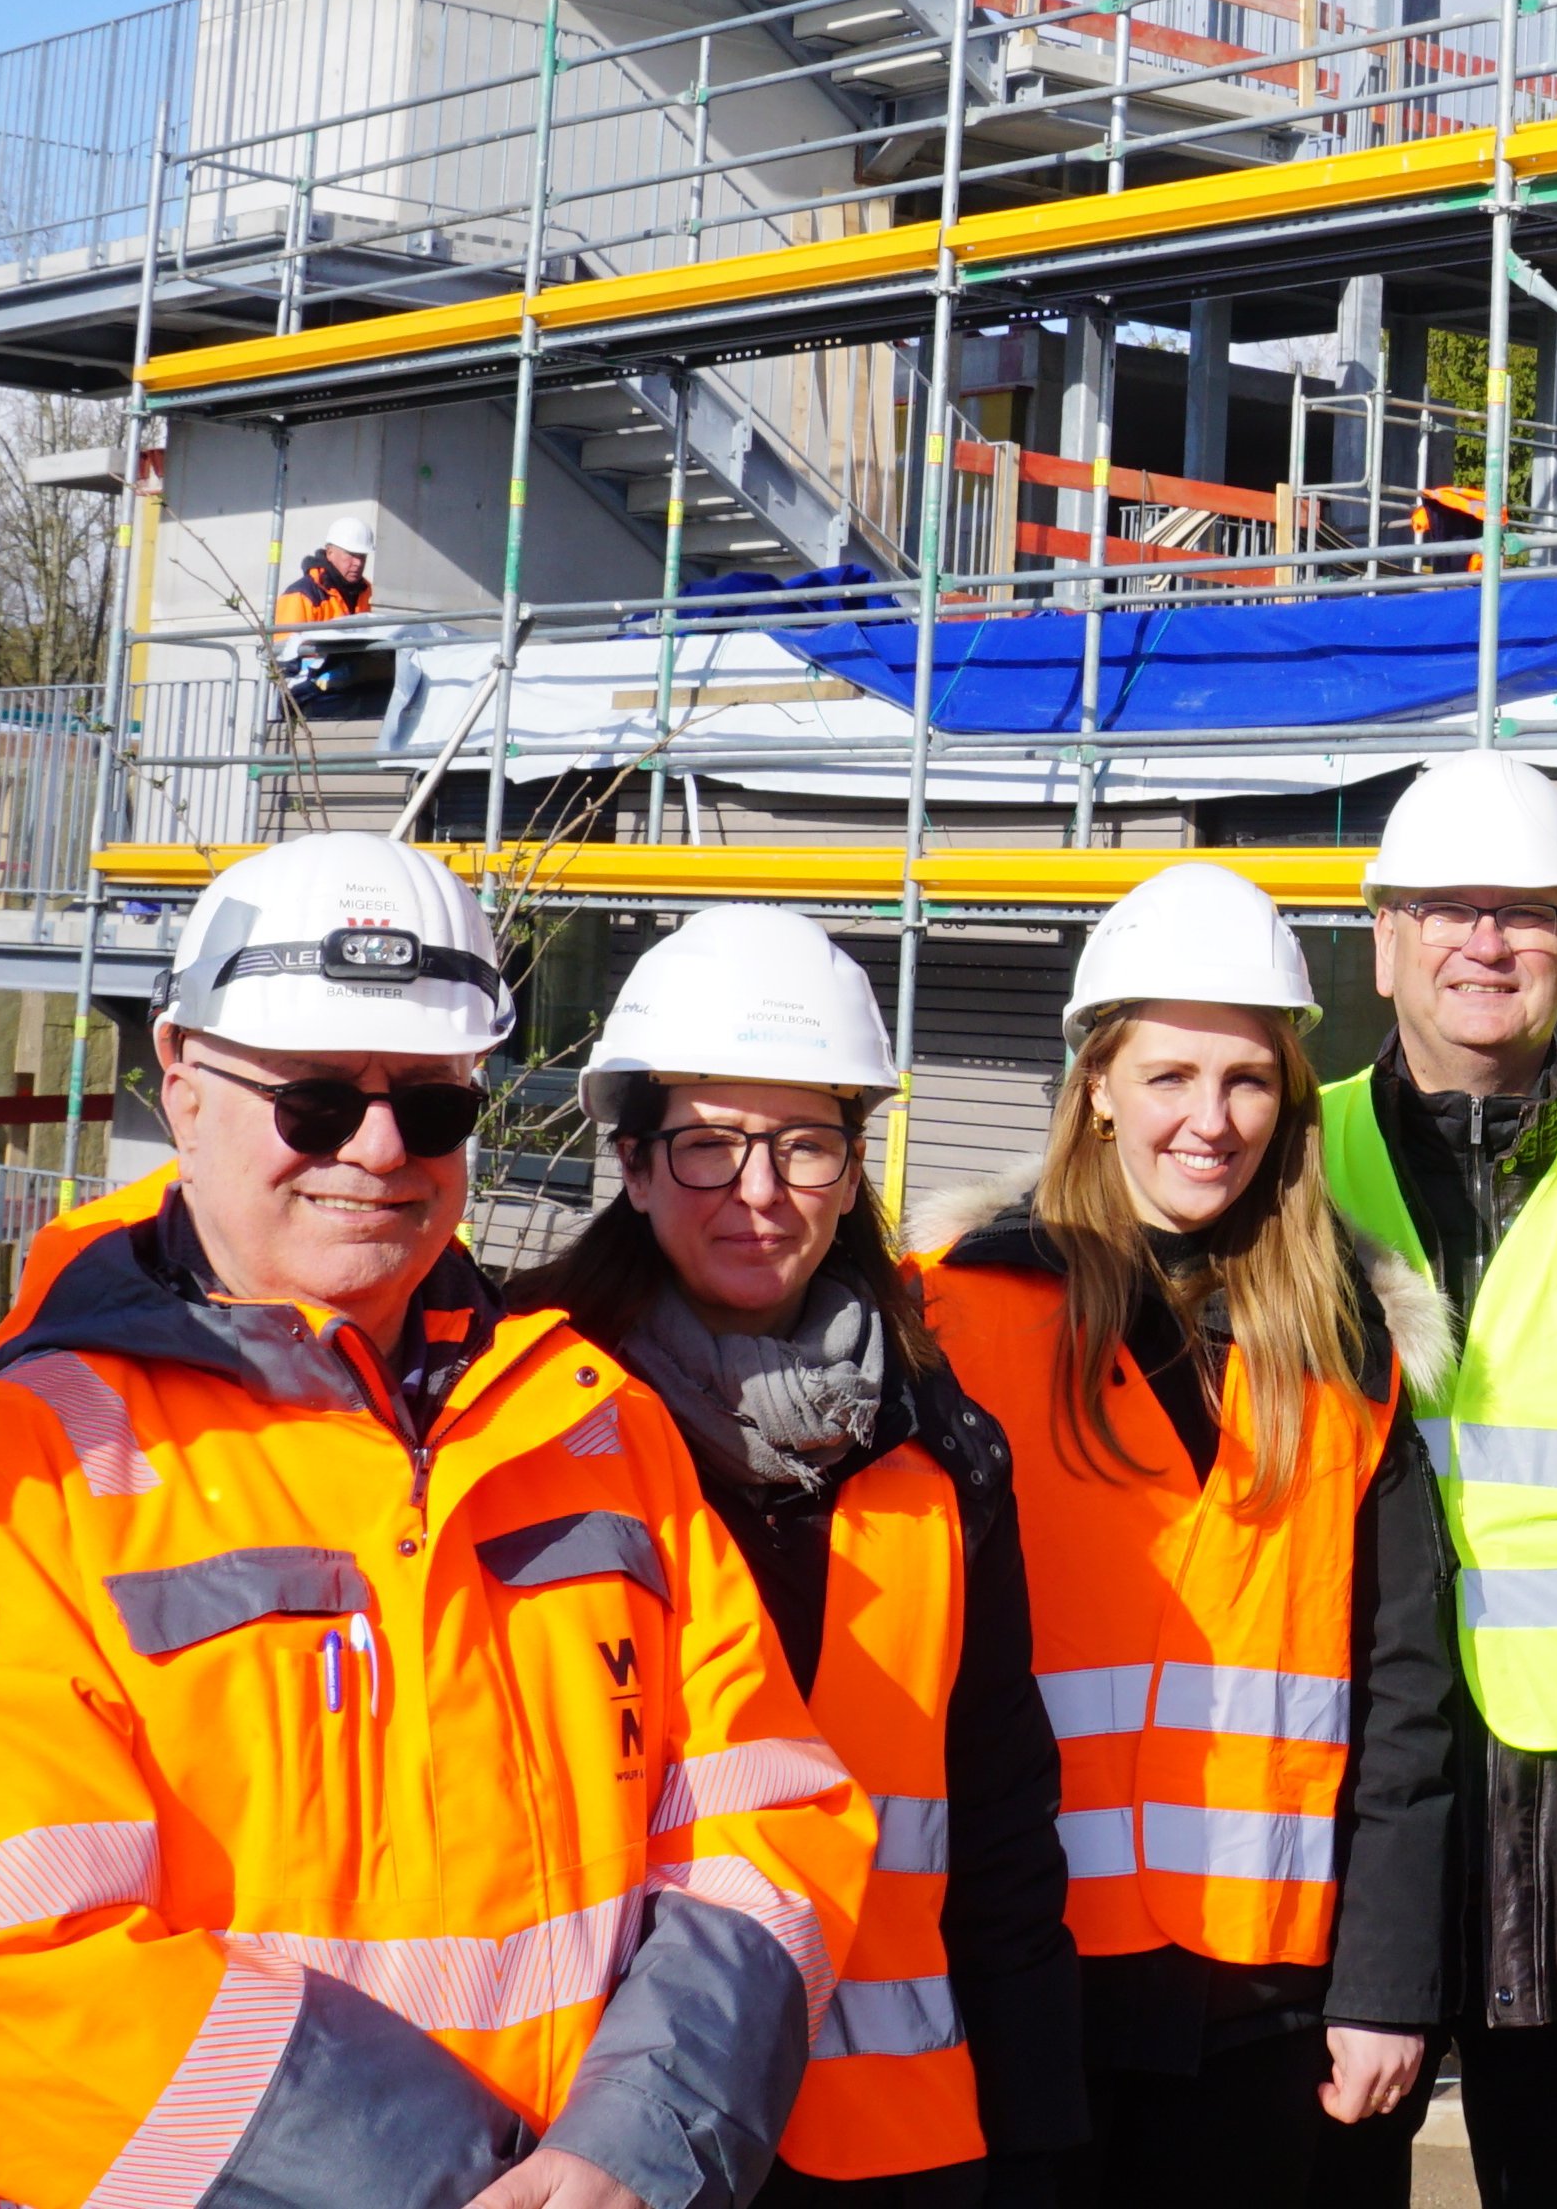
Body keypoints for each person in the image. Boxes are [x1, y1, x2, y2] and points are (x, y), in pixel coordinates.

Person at [0, 830, 869, 2209]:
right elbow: (12, 1977)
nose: (381, 1149)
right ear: (181, 1080)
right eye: (318, 1101)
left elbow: (771, 1819)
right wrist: (481, 2186)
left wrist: (634, 2151)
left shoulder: (597, 1426)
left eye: (435, 1105)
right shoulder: (26, 1474)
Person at [912, 861, 1459, 2207]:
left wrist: (1388, 1983)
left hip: (1267, 2005)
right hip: (1019, 1978)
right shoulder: (954, 1319)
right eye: (1169, 1076)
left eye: (1247, 1080)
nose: (1210, 1122)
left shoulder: (1348, 1355)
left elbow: (1408, 1697)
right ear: (1096, 1083)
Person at [529, 904, 1089, 2207]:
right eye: (709, 1144)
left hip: (882, 2138)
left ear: (852, 1167)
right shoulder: (524, 1424)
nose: (761, 1192)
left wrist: (1039, 2133)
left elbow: (998, 1815)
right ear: (633, 1162)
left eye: (804, 1144)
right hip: (588, 2140)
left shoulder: (941, 1444)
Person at [1306, 757, 1557, 2209]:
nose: (1486, 940)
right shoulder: (1288, 1160)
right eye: (1446, 909)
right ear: (1384, 940)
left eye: (1525, 911)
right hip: (1345, 1784)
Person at [280, 510, 394, 719]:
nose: (358, 563)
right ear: (330, 552)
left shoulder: (364, 591)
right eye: (351, 554)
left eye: (362, 556)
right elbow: (284, 655)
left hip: (348, 682)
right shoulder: (301, 594)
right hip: (309, 690)